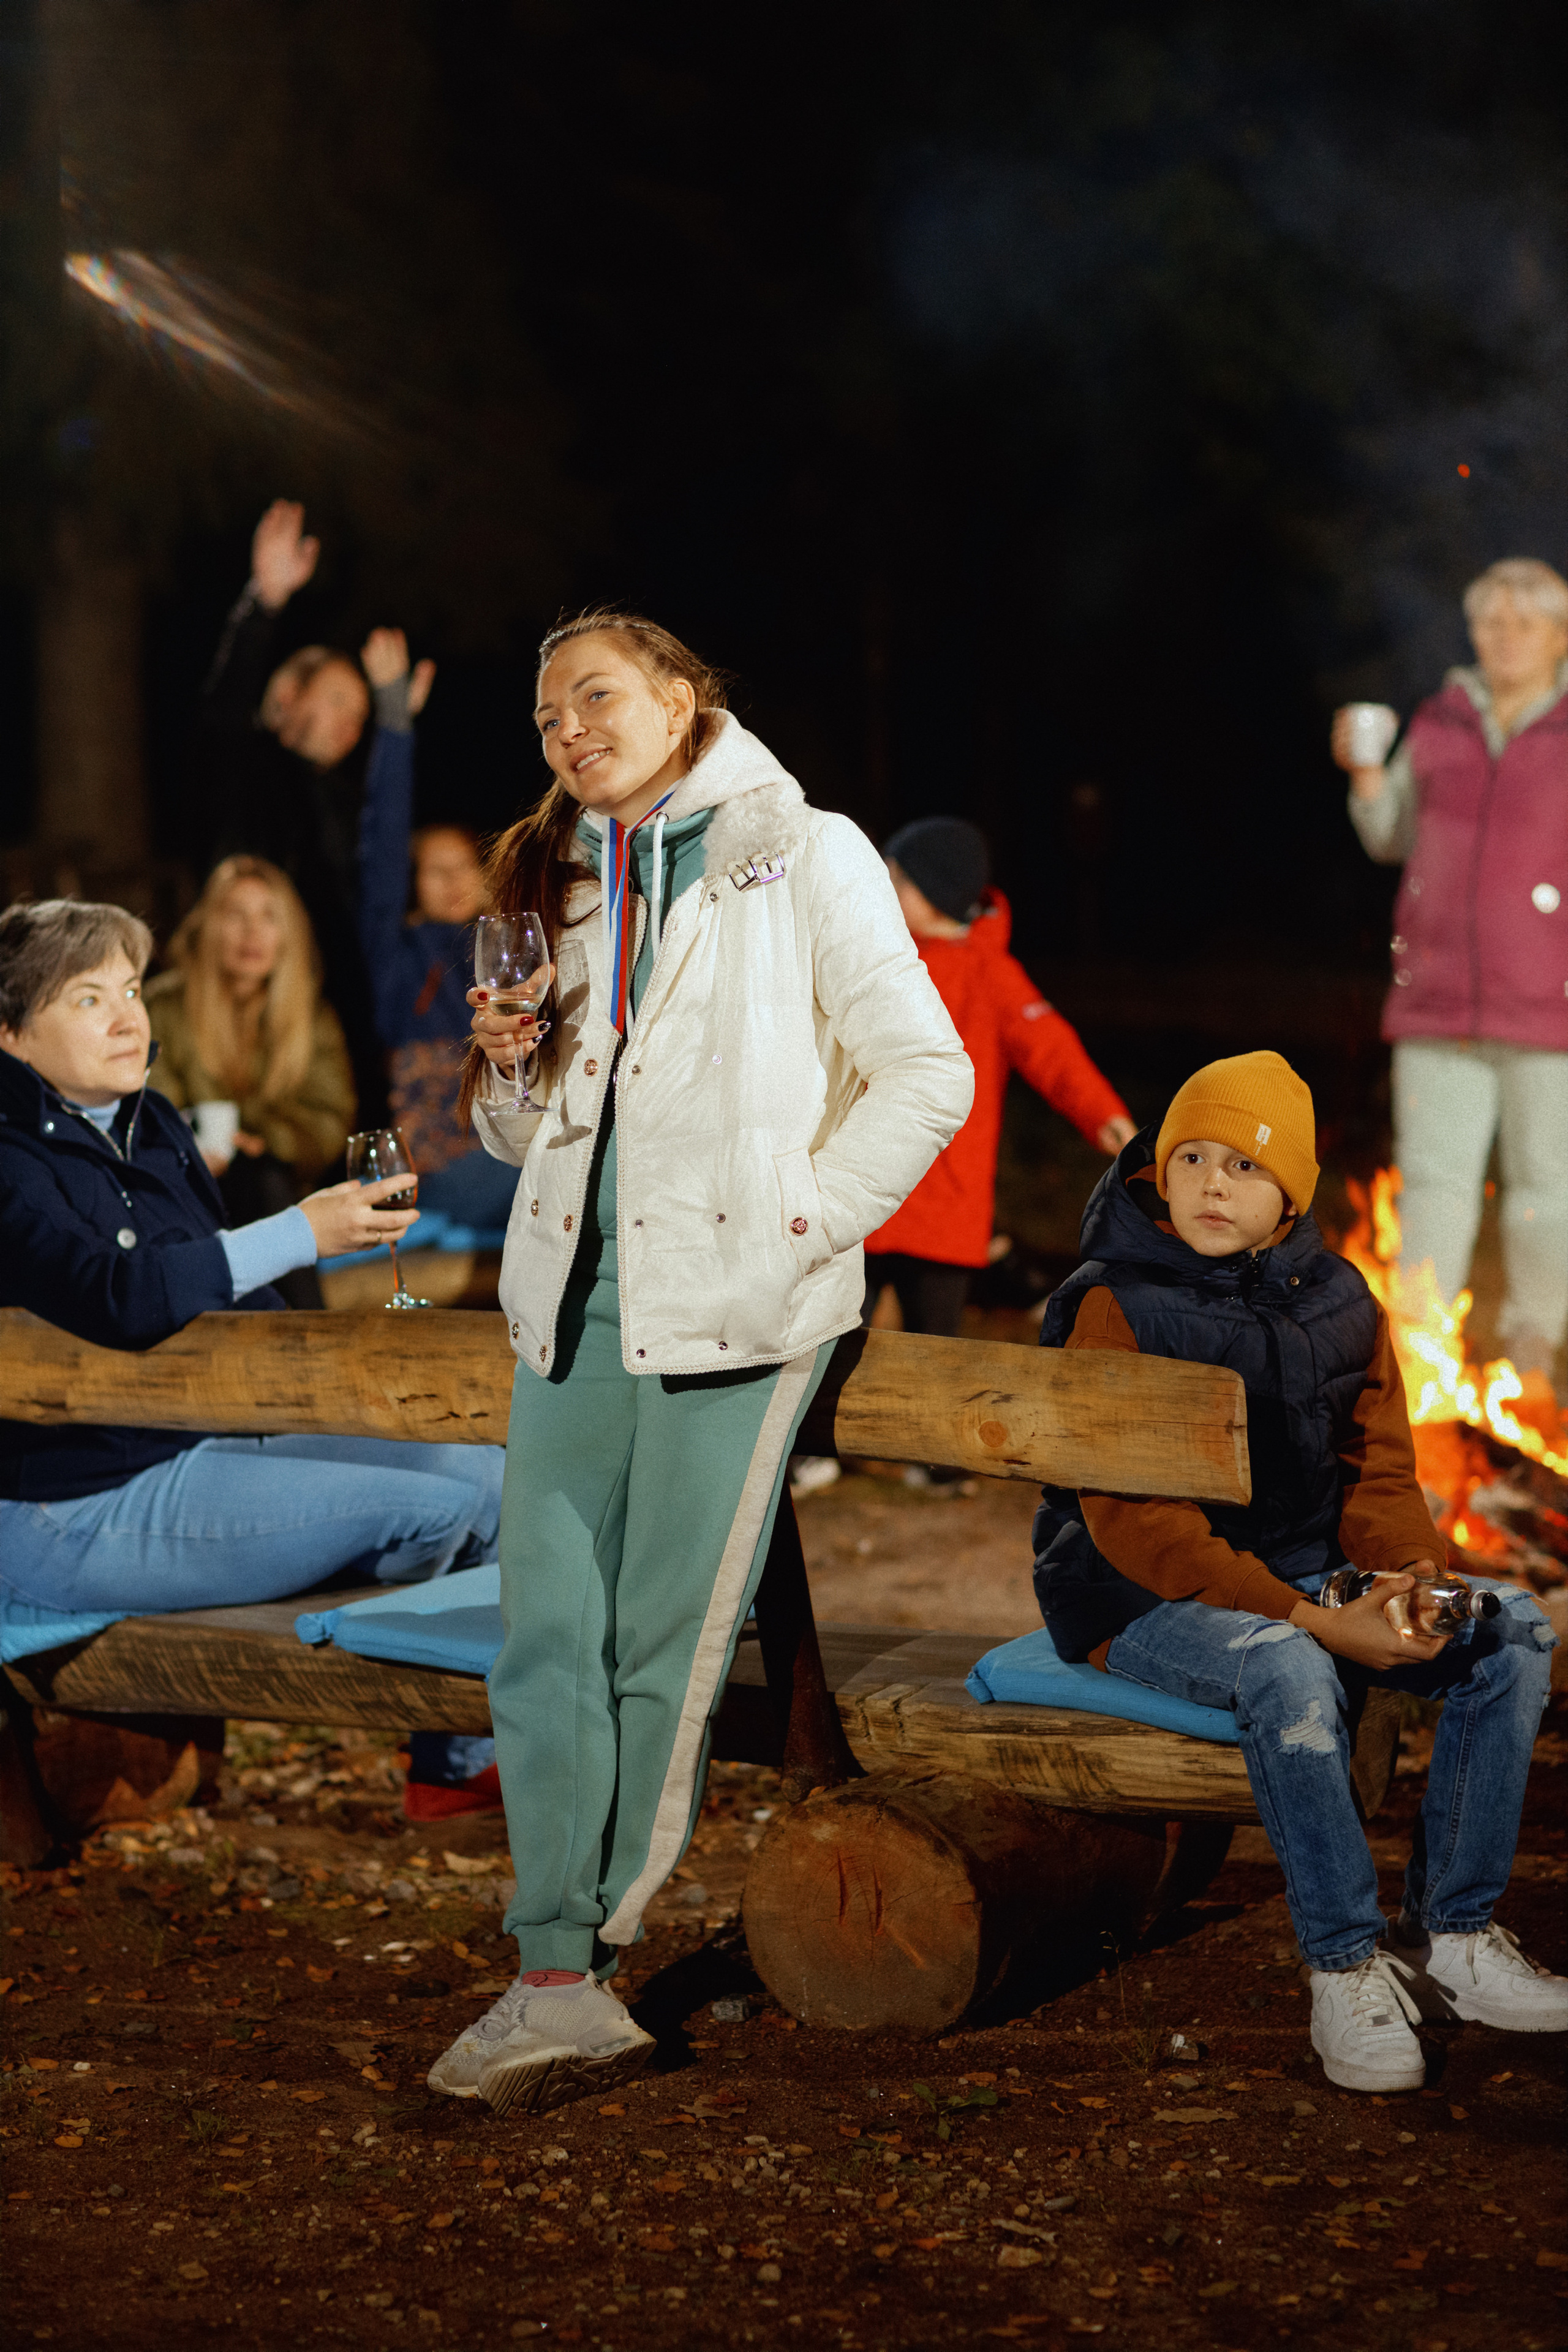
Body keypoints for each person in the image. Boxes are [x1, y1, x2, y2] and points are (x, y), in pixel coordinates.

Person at [421, 608, 973, 2116]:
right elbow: (528, 1134)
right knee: (540, 1632)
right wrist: (517, 1069)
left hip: (730, 1305)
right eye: (544, 718)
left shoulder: (805, 851)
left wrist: (801, 1217)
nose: (567, 732)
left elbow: (928, 1072)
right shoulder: (572, 877)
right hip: (570, 1304)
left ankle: (579, 1961)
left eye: (593, 697)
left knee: (654, 1643)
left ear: (680, 695)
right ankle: (550, 1971)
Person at [1032, 1049, 1564, 2094]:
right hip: (1138, 1593)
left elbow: (1380, 1471)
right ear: (1159, 1171)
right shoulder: (1118, 1306)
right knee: (1287, 1670)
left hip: (1304, 1574)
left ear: (1291, 1196)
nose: (1213, 1184)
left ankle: (1452, 1938)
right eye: (1191, 1157)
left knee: (1509, 1632)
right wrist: (1319, 1622)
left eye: (1243, 1165)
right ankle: (1345, 1965)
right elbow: (1140, 1528)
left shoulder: (1341, 1300)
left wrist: (1409, 1578)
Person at [0, 899, 504, 1621]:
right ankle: (459, 1718)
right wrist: (299, 1234)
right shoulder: (13, 1156)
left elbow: (236, 1306)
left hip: (199, 1437)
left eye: (132, 991)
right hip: (69, 1501)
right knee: (449, 1503)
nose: (127, 1019)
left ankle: (468, 1721)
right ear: (12, 1035)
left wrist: (341, 1402)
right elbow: (113, 1292)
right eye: (88, 998)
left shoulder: (153, 1123)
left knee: (485, 1467)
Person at [1335, 556, 1568, 1430]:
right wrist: (1364, 778)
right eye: (1490, 622)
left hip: (1552, 1009)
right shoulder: (1438, 720)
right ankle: (1420, 1365)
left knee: (1550, 1188)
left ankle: (1533, 1353)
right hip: (1434, 1001)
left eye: (1524, 623)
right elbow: (1390, 834)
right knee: (1433, 1186)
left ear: (1558, 637)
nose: (1503, 638)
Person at [862, 816, 1136, 1343]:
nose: (881, 886)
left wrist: (1105, 1116)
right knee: (833, 1344)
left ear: (936, 895)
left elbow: (1051, 1051)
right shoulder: (876, 958)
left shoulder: (988, 973)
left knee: (933, 1354)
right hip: (864, 1192)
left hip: (945, 1202)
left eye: (895, 879)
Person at [191, 500, 384, 1120]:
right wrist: (263, 603)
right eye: (336, 701)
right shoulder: (250, 766)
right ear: (287, 696)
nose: (350, 725)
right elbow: (224, 708)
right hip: (251, 990)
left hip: (331, 1002)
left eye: (360, 715)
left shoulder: (341, 797)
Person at [356, 626, 520, 1236]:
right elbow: (379, 852)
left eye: (464, 866)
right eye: (434, 870)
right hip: (437, 1169)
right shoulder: (398, 958)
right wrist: (395, 727)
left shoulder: (509, 955)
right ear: (411, 885)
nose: (454, 880)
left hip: (510, 1150)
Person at [145, 856, 356, 1310]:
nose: (252, 934)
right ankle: (309, 1330)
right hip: (190, 1184)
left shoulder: (310, 1016)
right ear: (209, 926)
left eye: (268, 917)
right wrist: (203, 1142)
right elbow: (151, 1105)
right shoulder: (162, 1006)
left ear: (288, 933)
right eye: (235, 915)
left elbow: (329, 1118)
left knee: (262, 1179)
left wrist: (261, 1138)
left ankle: (302, 1334)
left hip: (278, 1184)